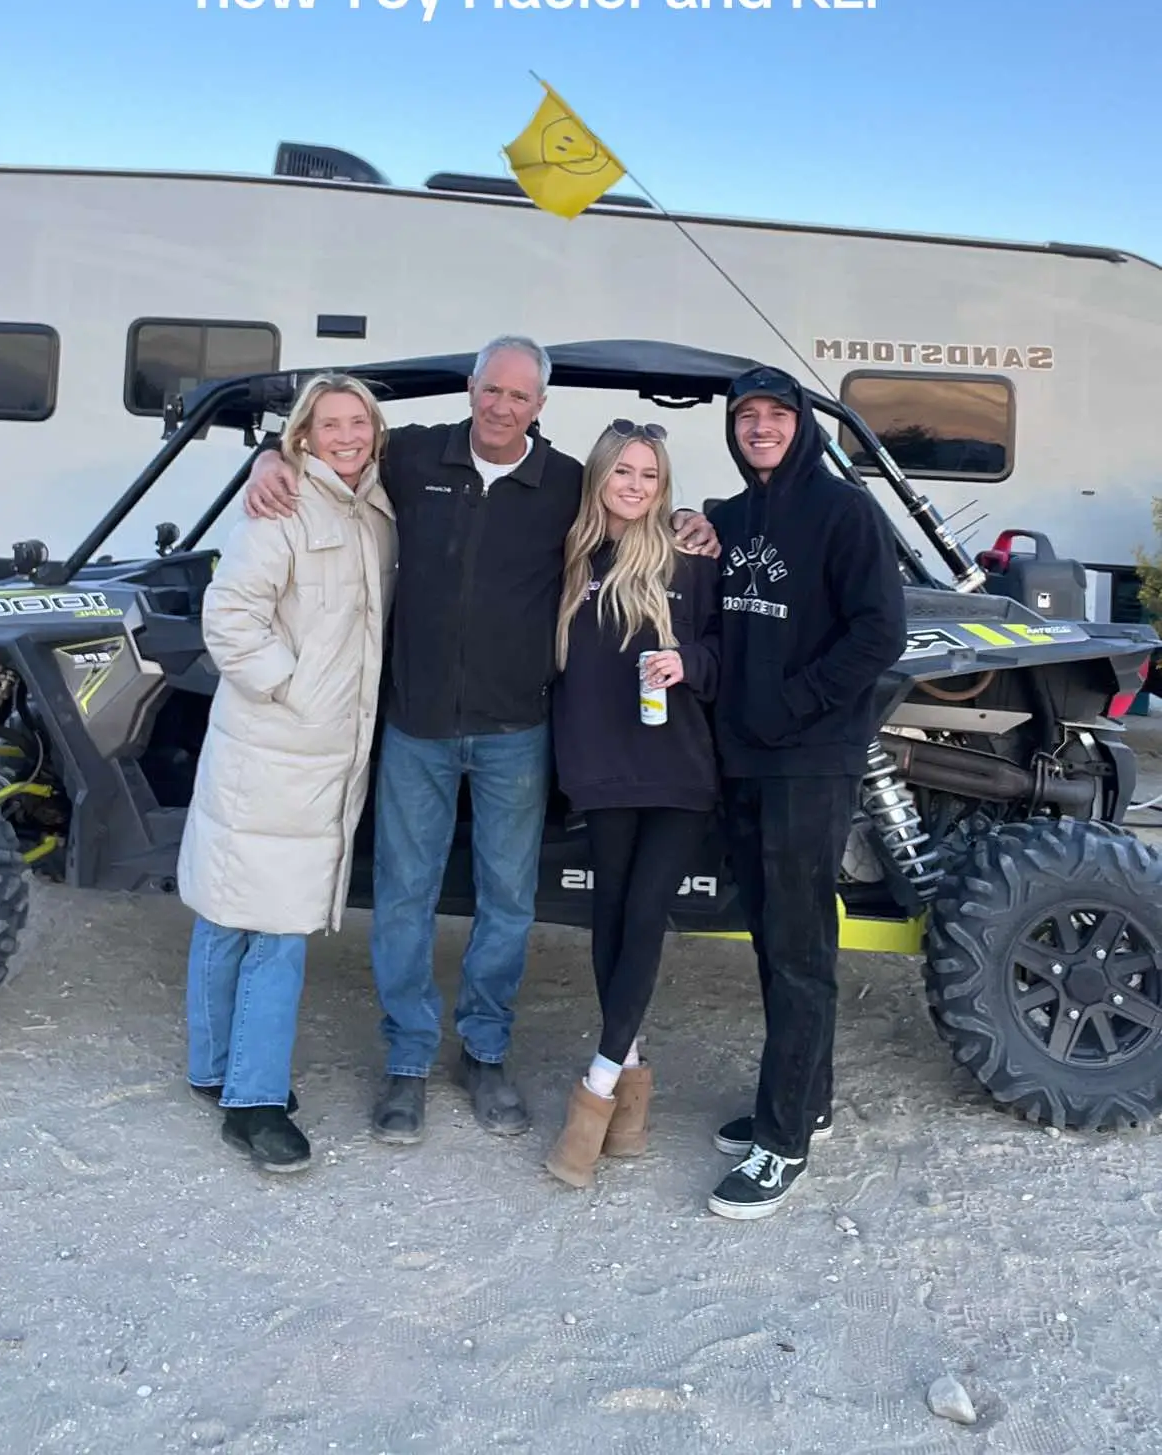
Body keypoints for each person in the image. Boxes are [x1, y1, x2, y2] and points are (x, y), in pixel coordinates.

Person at [247, 334, 715, 1146]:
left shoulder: (567, 481)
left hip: (515, 730)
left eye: (519, 396)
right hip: (417, 724)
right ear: (470, 389)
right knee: (402, 898)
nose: (502, 407)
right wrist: (267, 456)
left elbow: (631, 504)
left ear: (540, 404)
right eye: (491, 391)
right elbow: (336, 444)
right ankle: (407, 1060)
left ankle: (485, 1051)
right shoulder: (414, 454)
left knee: (506, 903)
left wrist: (690, 520)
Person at [179, 375, 397, 1174]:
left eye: (359, 423)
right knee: (277, 926)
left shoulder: (371, 506)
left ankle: (213, 1068)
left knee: (232, 914)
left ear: (376, 432)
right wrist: (293, 690)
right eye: (329, 423)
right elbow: (229, 615)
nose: (347, 435)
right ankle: (253, 1102)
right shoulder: (281, 508)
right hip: (278, 746)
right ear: (302, 434)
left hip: (313, 753)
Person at [703, 366, 907, 1221]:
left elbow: (880, 633)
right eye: (746, 416)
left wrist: (799, 700)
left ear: (802, 427)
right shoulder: (729, 516)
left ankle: (781, 1141)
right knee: (774, 939)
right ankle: (805, 1098)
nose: (759, 427)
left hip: (809, 758)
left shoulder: (845, 512)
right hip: (744, 759)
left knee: (797, 952)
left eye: (775, 416)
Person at [543, 421, 719, 1189]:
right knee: (609, 917)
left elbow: (726, 651)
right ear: (600, 475)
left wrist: (690, 662)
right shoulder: (571, 555)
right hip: (599, 767)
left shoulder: (686, 555)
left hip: (676, 768)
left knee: (643, 917)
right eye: (624, 470)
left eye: (650, 473)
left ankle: (600, 1085)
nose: (637, 484)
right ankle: (634, 1098)